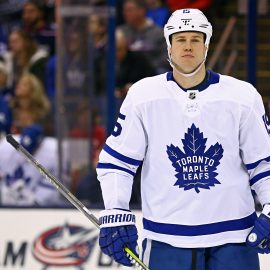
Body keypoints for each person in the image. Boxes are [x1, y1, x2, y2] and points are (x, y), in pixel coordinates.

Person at [96, 8, 270, 270]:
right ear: (169, 45)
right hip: (167, 239)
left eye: (195, 39)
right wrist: (116, 211)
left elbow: (263, 162)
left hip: (234, 239)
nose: (188, 47)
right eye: (180, 39)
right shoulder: (143, 96)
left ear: (206, 45)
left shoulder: (243, 97)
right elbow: (118, 162)